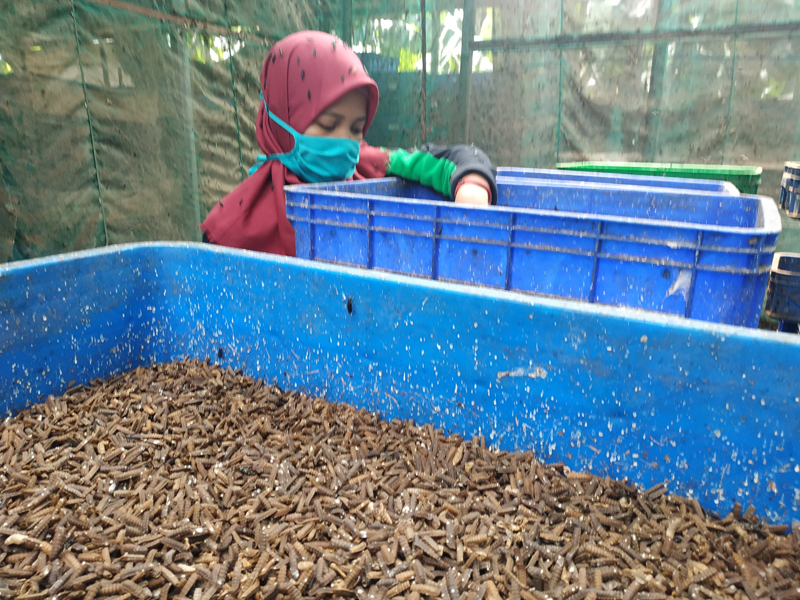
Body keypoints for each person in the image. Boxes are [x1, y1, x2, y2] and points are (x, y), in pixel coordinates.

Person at [200, 30, 497, 256]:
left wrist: (471, 182)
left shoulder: (369, 165)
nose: (345, 143)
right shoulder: (233, 228)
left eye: (356, 128)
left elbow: (451, 158)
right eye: (328, 125)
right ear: (282, 123)